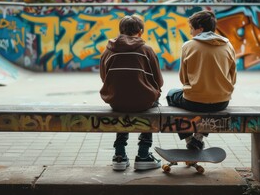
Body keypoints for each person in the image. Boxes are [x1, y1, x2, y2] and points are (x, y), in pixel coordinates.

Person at [100, 14, 164, 171]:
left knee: (123, 107)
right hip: (143, 102)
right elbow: (159, 81)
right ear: (140, 31)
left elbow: (104, 77)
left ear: (120, 31)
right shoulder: (147, 50)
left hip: (116, 100)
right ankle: (143, 154)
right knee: (151, 105)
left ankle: (119, 155)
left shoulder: (108, 51)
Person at [166, 10, 237, 150]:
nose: (191, 33)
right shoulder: (228, 45)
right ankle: (198, 139)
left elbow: (183, 78)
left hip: (194, 102)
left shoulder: (188, 46)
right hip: (221, 102)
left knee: (170, 95)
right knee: (208, 106)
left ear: (200, 28)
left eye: (192, 29)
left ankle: (189, 140)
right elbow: (233, 77)